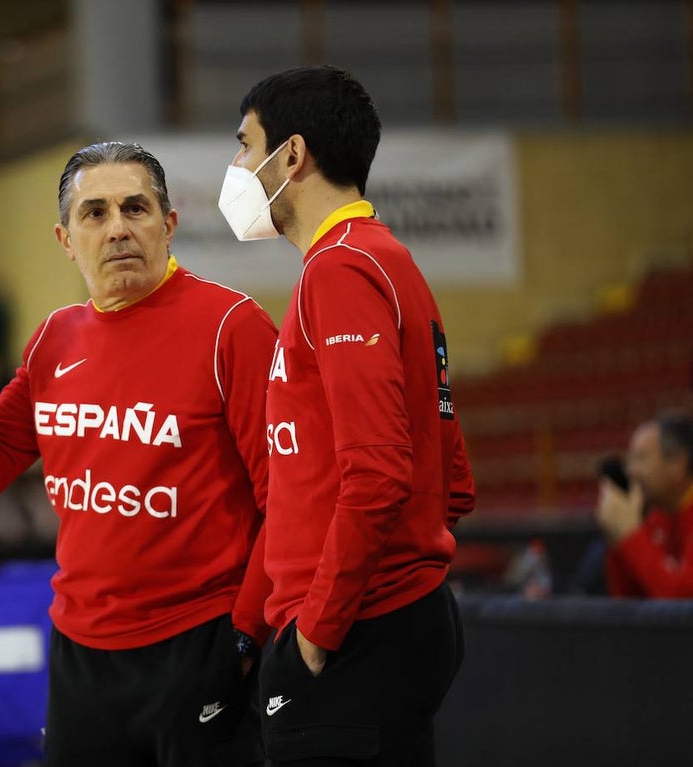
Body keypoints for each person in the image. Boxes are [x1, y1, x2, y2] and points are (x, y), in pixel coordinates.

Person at [0, 141, 276, 767]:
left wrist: (245, 634)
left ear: (168, 225)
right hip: (81, 655)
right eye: (95, 213)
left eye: (135, 209)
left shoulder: (232, 327)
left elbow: (290, 500)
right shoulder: (55, 338)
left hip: (199, 642)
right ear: (65, 238)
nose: (117, 229)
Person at [218, 66, 475, 766]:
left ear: (292, 155)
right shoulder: (387, 260)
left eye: (245, 146)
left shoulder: (340, 270)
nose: (236, 168)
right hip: (386, 619)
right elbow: (453, 476)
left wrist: (316, 629)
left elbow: (381, 471)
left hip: (352, 632)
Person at [597, 409, 693, 597]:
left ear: (677, 464)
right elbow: (629, 600)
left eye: (641, 458)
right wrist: (617, 538)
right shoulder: (658, 516)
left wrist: (630, 535)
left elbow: (682, 603)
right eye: (630, 460)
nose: (631, 471)